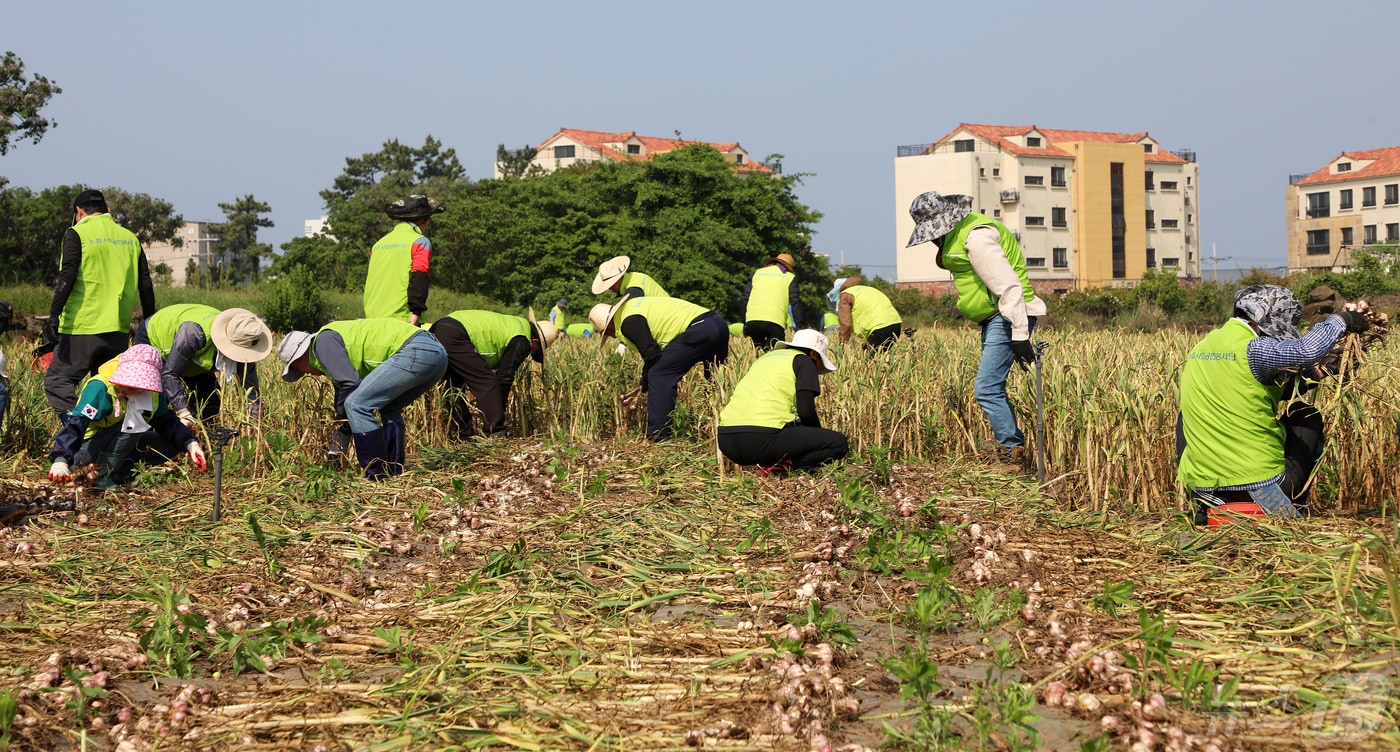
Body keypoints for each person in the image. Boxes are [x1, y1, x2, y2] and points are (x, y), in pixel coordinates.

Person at [1177, 285, 1372, 524]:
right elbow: (1307, 350)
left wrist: (1316, 374)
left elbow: (1252, 390)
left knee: (1187, 415)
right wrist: (1342, 320)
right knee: (1304, 413)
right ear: (1267, 321)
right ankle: (1291, 507)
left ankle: (1201, 508)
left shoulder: (1202, 348)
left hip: (1204, 489)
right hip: (1259, 486)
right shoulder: (1252, 347)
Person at [905, 191, 1046, 470]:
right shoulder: (959, 234)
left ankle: (1012, 454)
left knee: (987, 389)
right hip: (994, 318)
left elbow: (1009, 286)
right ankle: (1010, 448)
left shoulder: (977, 238)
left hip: (1005, 316)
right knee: (993, 388)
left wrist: (1019, 335)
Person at [279, 318, 448, 480]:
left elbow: (350, 391)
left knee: (356, 405)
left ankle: (375, 474)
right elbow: (343, 414)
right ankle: (393, 470)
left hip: (415, 350)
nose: (304, 373)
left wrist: (343, 416)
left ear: (302, 356)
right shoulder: (333, 357)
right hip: (437, 354)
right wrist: (335, 454)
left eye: (297, 368)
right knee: (389, 407)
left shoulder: (323, 342)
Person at [44, 189, 156, 416]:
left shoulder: (78, 232)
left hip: (82, 327)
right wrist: (149, 323)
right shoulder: (129, 238)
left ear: (79, 211)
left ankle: (78, 427)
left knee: (58, 381)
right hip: (118, 331)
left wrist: (54, 315)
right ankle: (103, 432)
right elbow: (145, 283)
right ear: (108, 211)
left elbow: (68, 274)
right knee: (106, 387)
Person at [47, 345, 206, 490]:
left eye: (140, 383)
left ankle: (116, 473)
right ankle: (99, 476)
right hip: (84, 452)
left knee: (170, 443)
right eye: (130, 380)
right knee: (133, 424)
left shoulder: (151, 394)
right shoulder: (101, 388)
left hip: (116, 445)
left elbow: (167, 422)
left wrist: (190, 443)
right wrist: (61, 459)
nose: (133, 387)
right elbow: (75, 425)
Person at [589, 295, 728, 441]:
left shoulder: (628, 323)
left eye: (606, 332)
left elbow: (652, 354)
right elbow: (656, 354)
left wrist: (646, 380)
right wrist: (645, 380)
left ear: (610, 325)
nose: (611, 337)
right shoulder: (632, 307)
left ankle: (659, 435)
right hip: (717, 323)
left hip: (700, 328)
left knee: (659, 375)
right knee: (714, 380)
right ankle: (720, 426)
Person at [719, 329, 848, 473]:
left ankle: (776, 462)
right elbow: (806, 411)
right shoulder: (805, 361)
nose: (819, 369)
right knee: (838, 443)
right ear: (814, 354)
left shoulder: (764, 359)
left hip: (727, 440)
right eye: (820, 363)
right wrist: (817, 440)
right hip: (761, 439)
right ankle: (787, 465)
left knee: (795, 428)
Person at [135, 305, 273, 427]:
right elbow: (170, 374)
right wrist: (183, 412)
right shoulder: (194, 333)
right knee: (158, 402)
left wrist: (254, 423)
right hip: (155, 337)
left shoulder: (246, 340)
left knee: (210, 402)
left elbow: (250, 390)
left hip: (192, 353)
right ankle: (154, 441)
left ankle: (198, 436)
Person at [428, 310, 558, 439]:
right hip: (455, 335)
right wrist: (499, 411)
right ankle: (496, 432)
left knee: (454, 385)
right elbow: (504, 378)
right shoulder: (522, 340)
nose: (530, 353)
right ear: (534, 341)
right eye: (536, 350)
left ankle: (463, 434)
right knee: (488, 382)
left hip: (440, 328)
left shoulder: (516, 325)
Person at [363, 195, 444, 325]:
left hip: (372, 316)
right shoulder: (420, 241)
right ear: (425, 220)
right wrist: (416, 312)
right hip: (402, 317)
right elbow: (419, 277)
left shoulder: (378, 245)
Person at [739, 252, 803, 351]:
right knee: (774, 354)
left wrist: (745, 321)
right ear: (789, 268)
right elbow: (795, 303)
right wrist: (799, 326)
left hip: (752, 321)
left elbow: (744, 299)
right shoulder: (790, 277)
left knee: (755, 354)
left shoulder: (757, 273)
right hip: (775, 322)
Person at [829, 276, 902, 351]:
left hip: (879, 329)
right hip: (896, 326)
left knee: (867, 356)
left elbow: (845, 324)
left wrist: (841, 345)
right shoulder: (868, 289)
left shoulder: (845, 295)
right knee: (872, 352)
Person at [591, 256, 669, 298]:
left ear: (616, 280)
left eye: (610, 285)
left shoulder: (633, 291)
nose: (610, 289)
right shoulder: (635, 276)